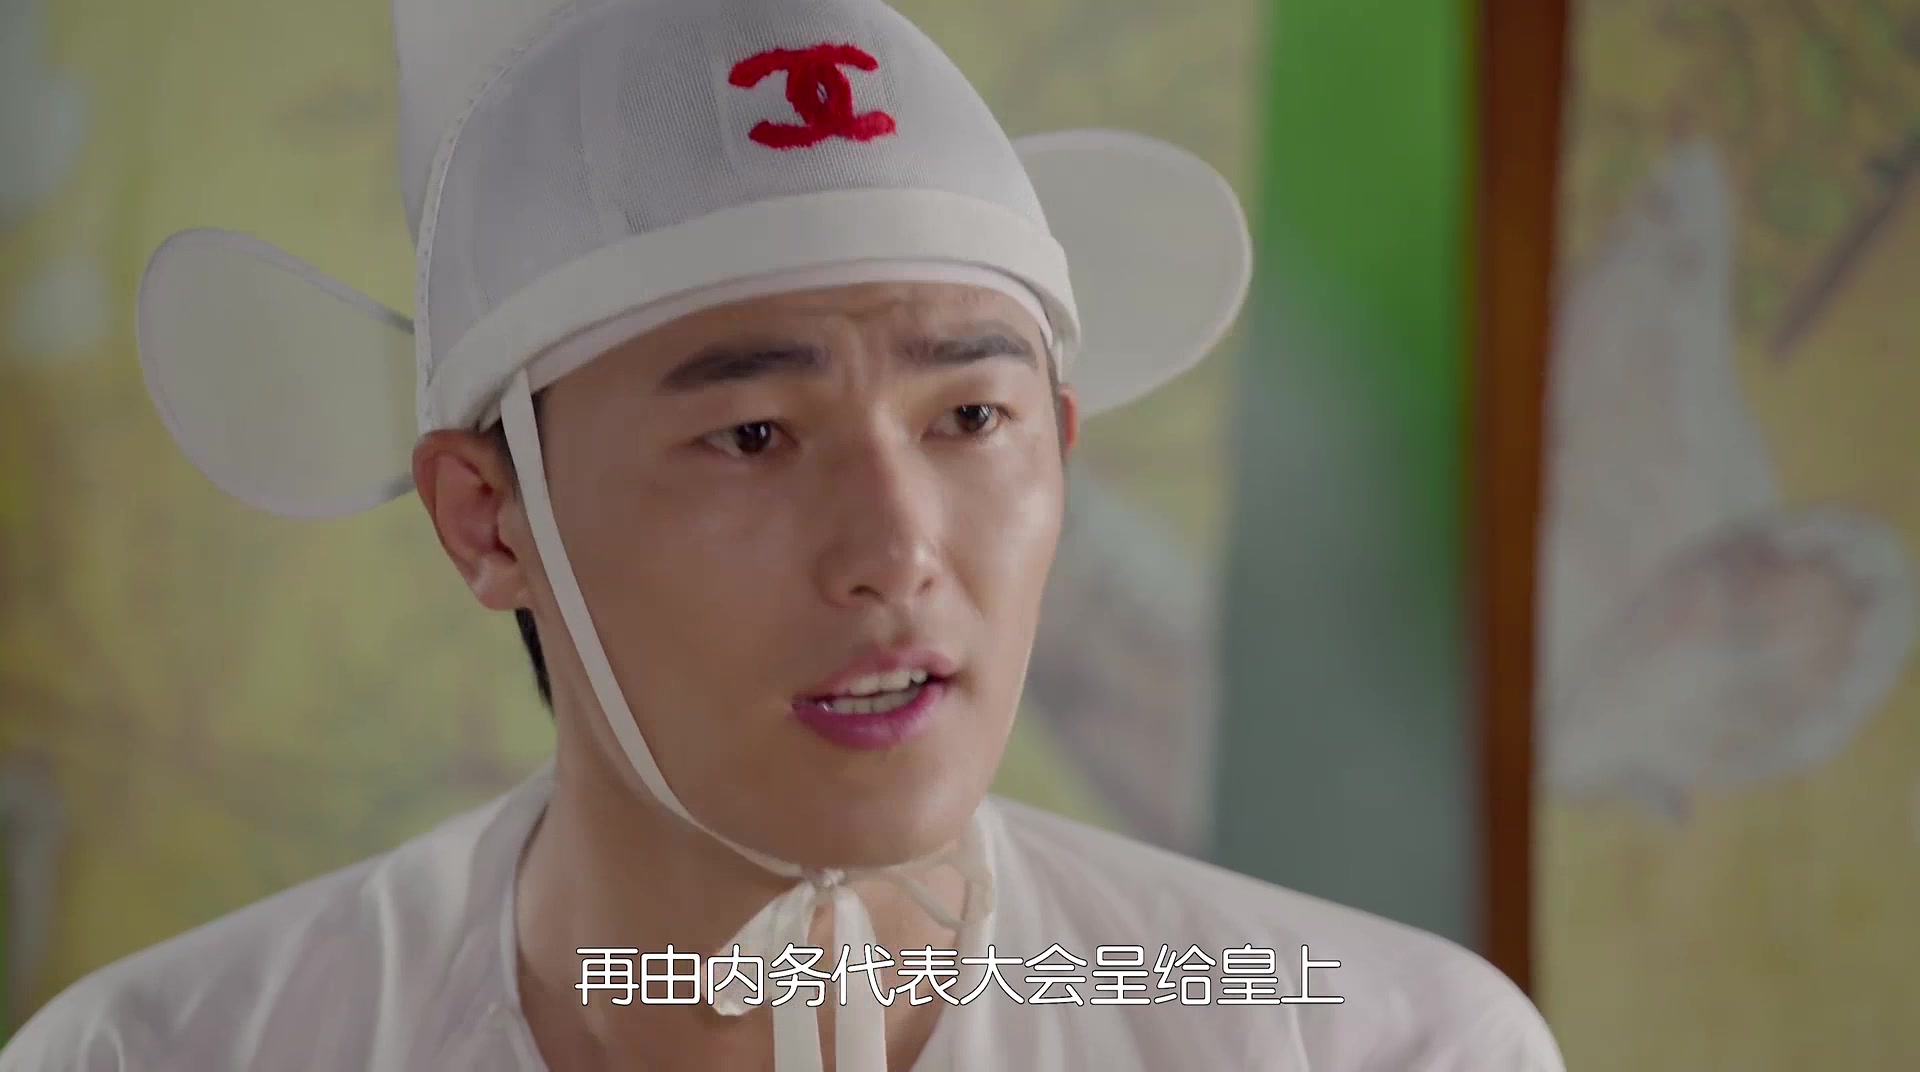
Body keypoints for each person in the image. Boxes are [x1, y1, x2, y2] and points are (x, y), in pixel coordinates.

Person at [0, 0, 1567, 1068]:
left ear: (1064, 442)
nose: (894, 549)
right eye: (752, 435)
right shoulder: (170, 1053)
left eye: (972, 417)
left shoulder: (1377, 1045)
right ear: (488, 517)